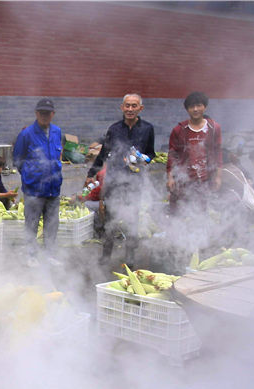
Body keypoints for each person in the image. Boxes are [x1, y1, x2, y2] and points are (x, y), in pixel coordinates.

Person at [85, 93, 156, 264]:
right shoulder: (114, 129)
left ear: (140, 108)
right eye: (127, 106)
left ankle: (130, 254)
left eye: (134, 106)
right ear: (122, 107)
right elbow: (103, 154)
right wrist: (91, 173)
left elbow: (151, 153)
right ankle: (106, 253)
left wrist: (144, 159)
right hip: (114, 180)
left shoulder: (147, 129)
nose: (130, 109)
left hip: (134, 181)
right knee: (109, 217)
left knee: (132, 218)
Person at [13, 98, 63, 264]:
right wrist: (30, 176)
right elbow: (18, 159)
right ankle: (31, 256)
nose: (44, 116)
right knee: (32, 223)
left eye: (47, 113)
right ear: (36, 114)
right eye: (41, 113)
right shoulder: (26, 134)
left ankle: (49, 255)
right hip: (34, 189)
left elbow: (58, 155)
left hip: (53, 188)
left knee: (51, 224)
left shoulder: (57, 132)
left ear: (53, 114)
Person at [166, 91, 223, 215]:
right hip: (182, 180)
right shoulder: (179, 130)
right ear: (187, 109)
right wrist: (170, 178)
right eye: (191, 107)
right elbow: (172, 155)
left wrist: (218, 177)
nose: (195, 109)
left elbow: (218, 152)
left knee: (201, 213)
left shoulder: (214, 129)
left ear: (205, 107)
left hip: (205, 179)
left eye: (198, 105)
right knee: (178, 213)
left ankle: (200, 234)